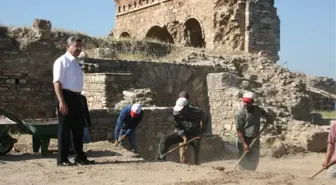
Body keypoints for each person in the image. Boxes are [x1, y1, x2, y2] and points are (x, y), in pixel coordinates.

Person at [53, 36, 94, 166]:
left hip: (77, 98)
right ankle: (62, 159)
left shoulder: (76, 63)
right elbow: (57, 82)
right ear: (68, 46)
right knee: (64, 130)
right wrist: (62, 101)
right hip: (66, 97)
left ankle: (79, 157)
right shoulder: (61, 61)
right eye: (76, 46)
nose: (79, 49)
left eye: (80, 46)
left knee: (78, 129)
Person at [156, 97, 207, 165]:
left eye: (182, 109)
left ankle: (196, 165)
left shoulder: (198, 112)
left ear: (186, 107)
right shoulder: (176, 113)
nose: (180, 111)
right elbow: (178, 127)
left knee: (196, 149)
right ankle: (160, 160)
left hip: (195, 134)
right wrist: (184, 138)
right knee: (165, 139)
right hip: (183, 133)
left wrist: (202, 132)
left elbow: (205, 119)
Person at [235, 91, 273, 171]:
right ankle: (242, 175)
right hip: (244, 139)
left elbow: (265, 113)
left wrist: (268, 118)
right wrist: (244, 144)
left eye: (248, 102)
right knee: (244, 160)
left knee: (254, 159)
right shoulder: (240, 113)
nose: (245, 104)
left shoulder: (257, 109)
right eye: (244, 102)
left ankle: (252, 176)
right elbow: (239, 131)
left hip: (255, 139)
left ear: (252, 102)